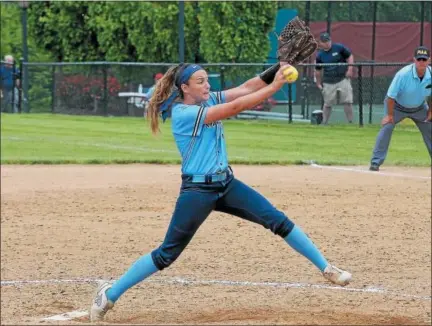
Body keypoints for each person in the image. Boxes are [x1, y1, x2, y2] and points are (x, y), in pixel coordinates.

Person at [90, 63, 352, 322]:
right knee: (166, 254)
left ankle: (326, 268)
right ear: (184, 87)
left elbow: (247, 88)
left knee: (277, 220)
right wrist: (276, 85)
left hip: (226, 184)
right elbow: (237, 106)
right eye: (200, 81)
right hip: (198, 191)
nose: (208, 85)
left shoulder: (209, 99)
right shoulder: (184, 113)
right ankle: (110, 294)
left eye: (207, 80)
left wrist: (278, 67)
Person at [369, 46, 431, 172]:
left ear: (429, 60)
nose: (421, 62)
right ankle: (375, 162)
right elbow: (390, 97)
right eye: (419, 59)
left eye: (424, 60)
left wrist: (430, 112)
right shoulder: (403, 74)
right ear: (414, 60)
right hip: (397, 106)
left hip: (419, 107)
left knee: (430, 129)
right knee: (387, 127)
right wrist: (389, 115)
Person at [314, 32, 354, 124]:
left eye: (328, 41)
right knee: (327, 104)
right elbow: (318, 71)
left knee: (348, 101)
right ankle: (324, 123)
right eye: (324, 41)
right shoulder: (320, 55)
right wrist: (318, 83)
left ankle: (350, 122)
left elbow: (350, 56)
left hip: (343, 79)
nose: (327, 43)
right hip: (328, 82)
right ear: (320, 43)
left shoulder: (339, 48)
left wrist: (350, 69)